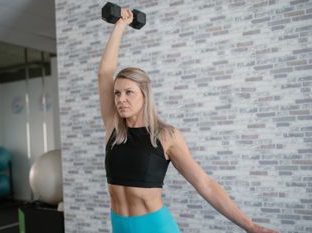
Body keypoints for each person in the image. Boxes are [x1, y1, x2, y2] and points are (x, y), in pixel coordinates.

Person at [97, 7, 280, 233]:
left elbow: (205, 184)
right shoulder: (113, 127)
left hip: (155, 227)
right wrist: (120, 26)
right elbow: (105, 73)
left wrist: (249, 226)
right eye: (117, 93)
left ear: (145, 95)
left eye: (129, 92)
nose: (121, 99)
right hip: (119, 227)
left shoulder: (165, 136)